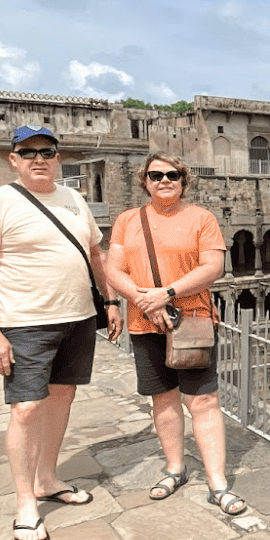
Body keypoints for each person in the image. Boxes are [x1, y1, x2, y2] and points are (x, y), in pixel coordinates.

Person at [0, 125, 123, 540]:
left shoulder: (73, 199)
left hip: (79, 317)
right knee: (27, 409)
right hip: (25, 322)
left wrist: (110, 303)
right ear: (13, 159)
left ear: (58, 158)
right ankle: (25, 504)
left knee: (62, 397)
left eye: (46, 152)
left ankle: (48, 478)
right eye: (27, 152)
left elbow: (94, 254)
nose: (38, 159)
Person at [105, 153, 246, 515]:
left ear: (183, 180)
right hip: (144, 321)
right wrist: (143, 299)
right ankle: (175, 468)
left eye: (172, 175)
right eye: (156, 175)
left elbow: (212, 266)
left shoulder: (201, 218)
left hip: (190, 320)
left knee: (203, 401)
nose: (164, 180)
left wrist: (165, 294)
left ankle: (217, 482)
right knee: (163, 400)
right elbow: (113, 270)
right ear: (145, 181)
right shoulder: (127, 221)